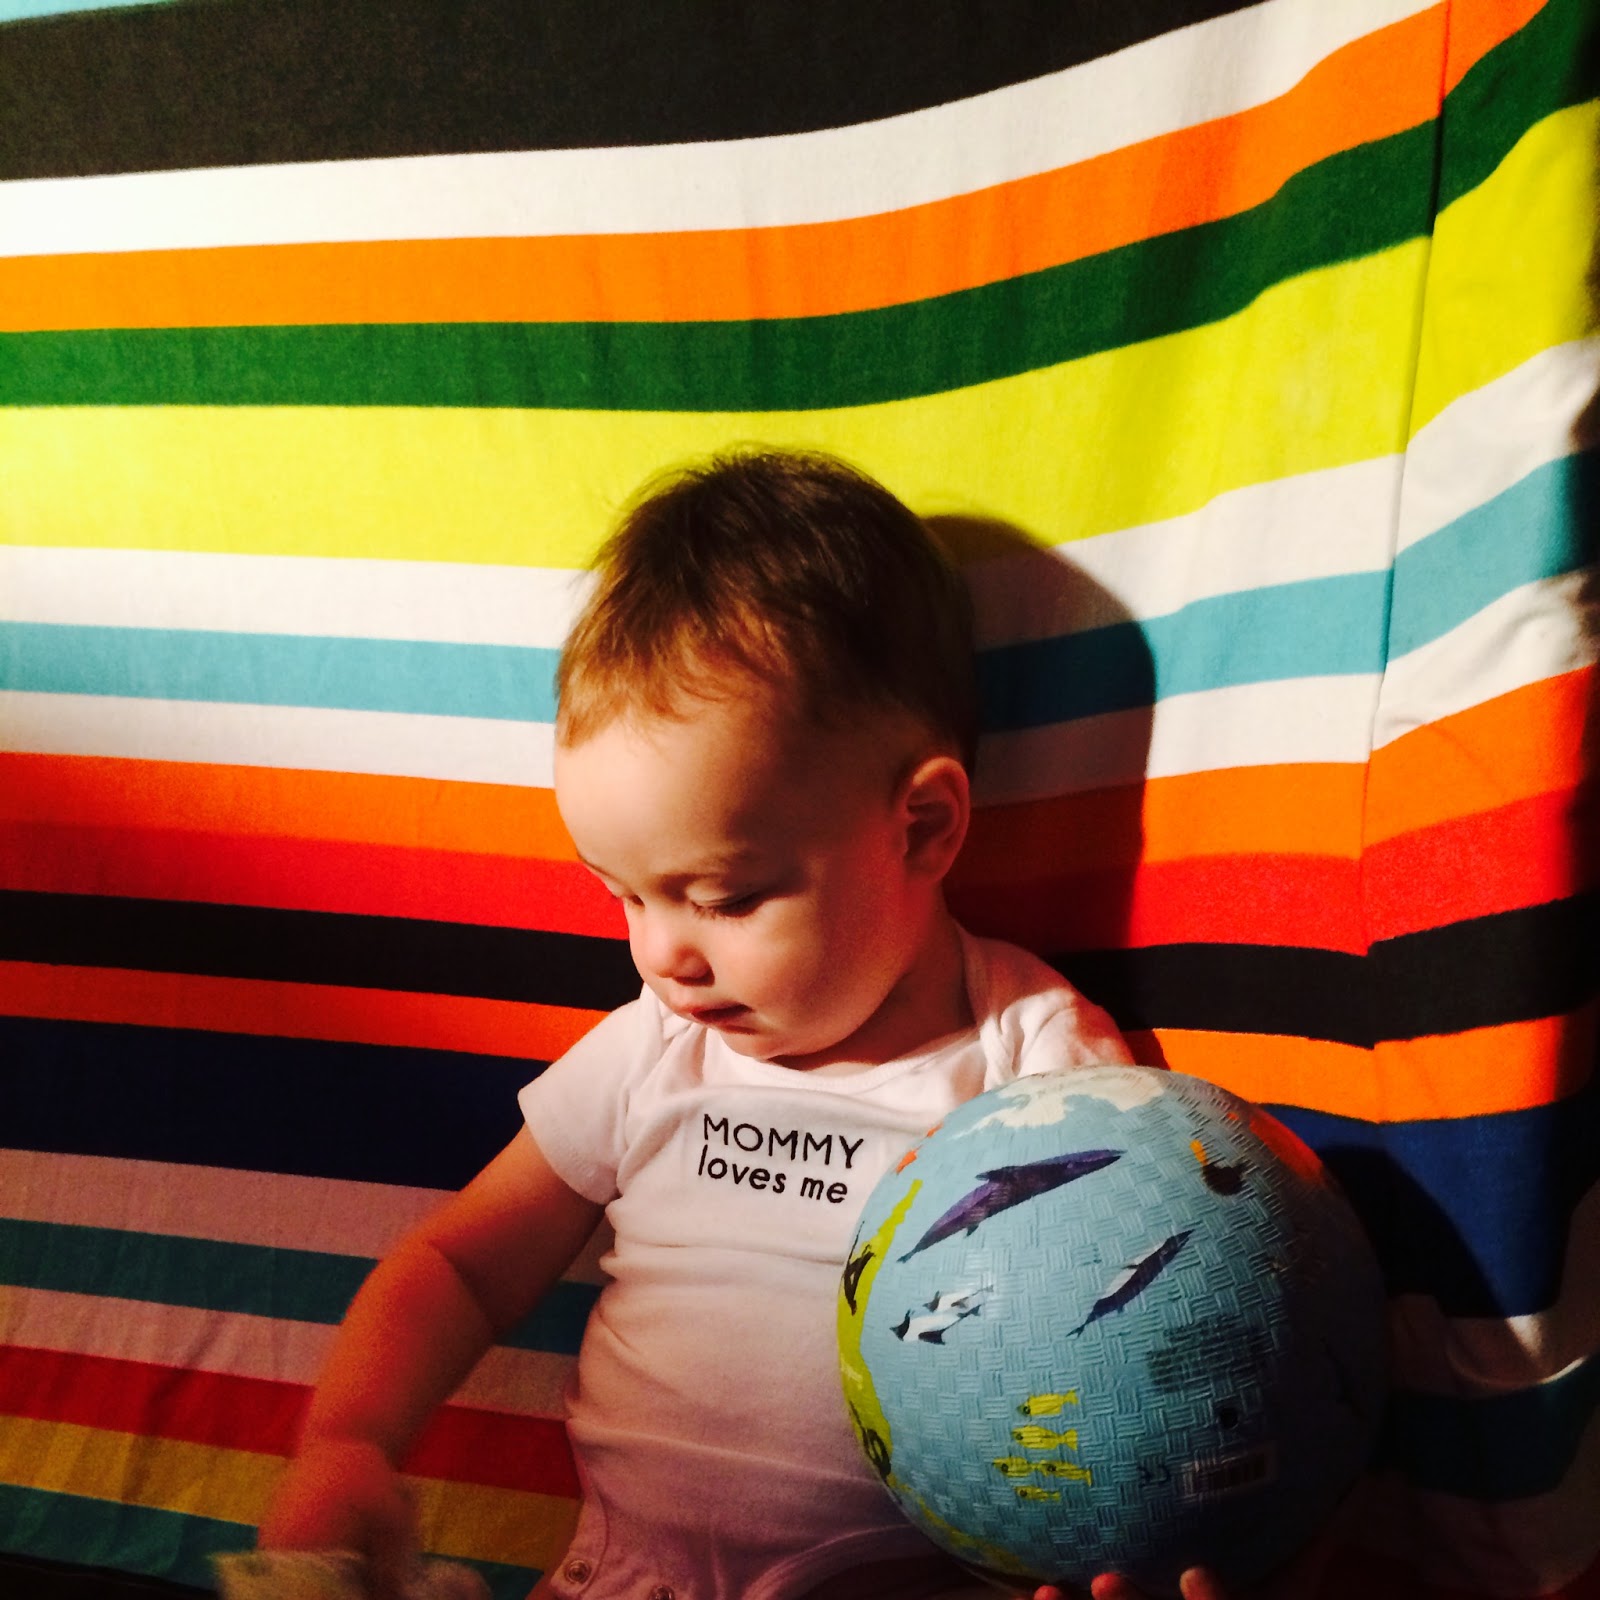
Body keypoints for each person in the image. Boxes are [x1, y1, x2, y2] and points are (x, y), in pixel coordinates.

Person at [258, 448, 1140, 1600]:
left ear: (921, 828)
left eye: (722, 896)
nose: (661, 953)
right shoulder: (653, 1049)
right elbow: (460, 1264)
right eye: (625, 895)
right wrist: (348, 1441)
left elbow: (1138, 1319)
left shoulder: (1029, 1055)